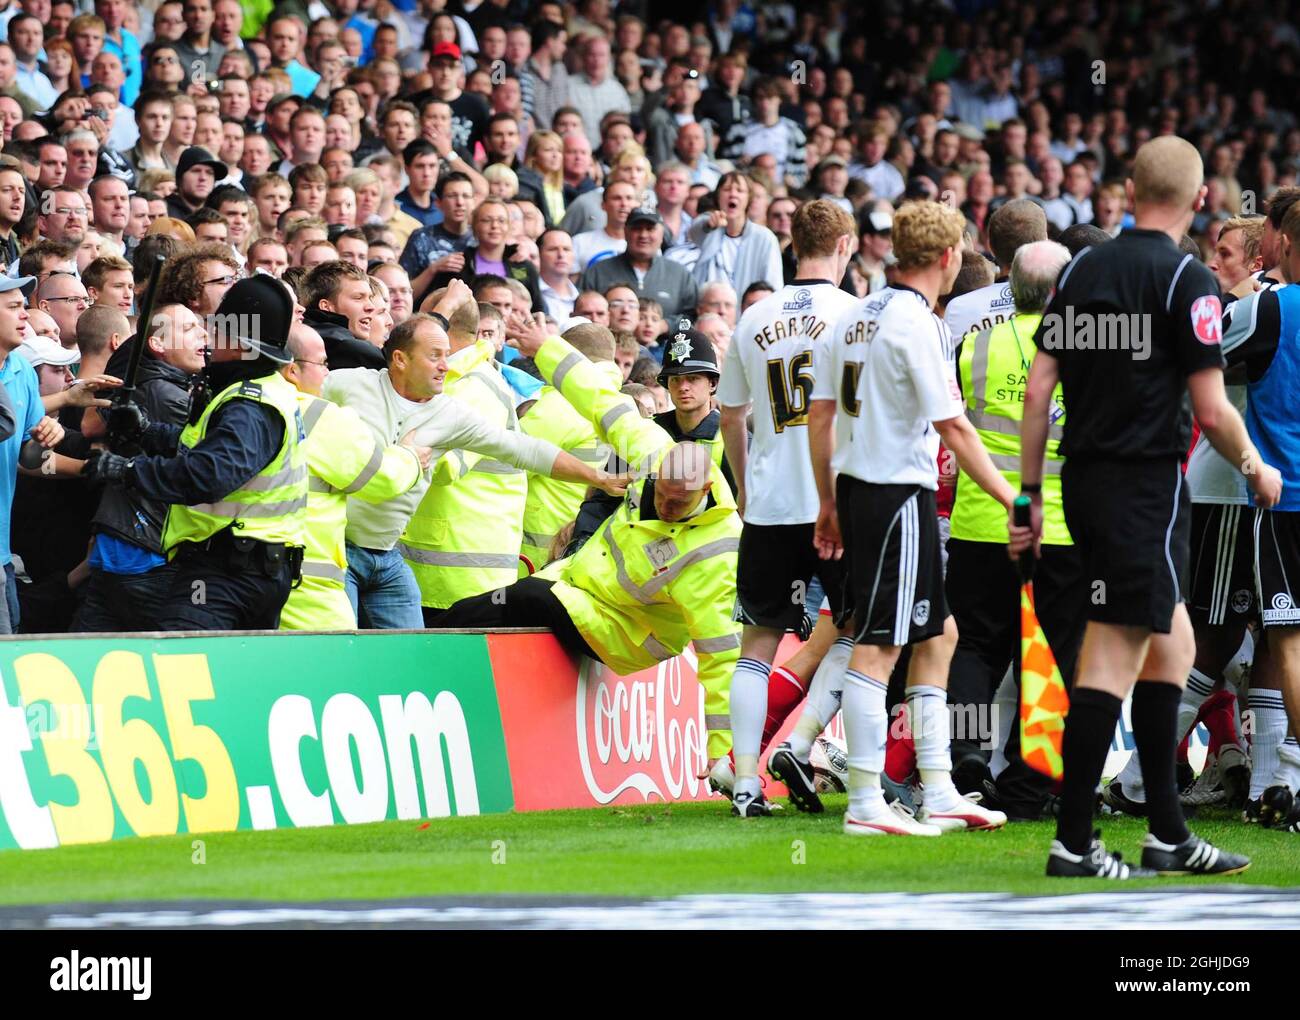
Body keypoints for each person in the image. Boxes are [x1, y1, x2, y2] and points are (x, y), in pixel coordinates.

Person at [1012, 136, 1280, 878]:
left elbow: (1040, 392)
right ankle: (1073, 841)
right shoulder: (1186, 281)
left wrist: (1028, 495)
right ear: (1198, 202)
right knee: (1115, 650)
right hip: (1147, 488)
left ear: (1130, 190)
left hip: (1084, 481)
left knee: (1176, 647)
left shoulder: (1084, 268)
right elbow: (1212, 407)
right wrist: (1258, 468)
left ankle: (1166, 833)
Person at [439, 315, 742, 766]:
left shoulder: (717, 554)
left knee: (520, 598)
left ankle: (433, 652)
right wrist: (547, 346)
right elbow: (601, 400)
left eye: (679, 504)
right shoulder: (651, 447)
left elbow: (723, 663)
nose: (666, 507)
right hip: (582, 584)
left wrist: (728, 760)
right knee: (496, 606)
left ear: (704, 493)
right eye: (661, 494)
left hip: (624, 632)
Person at [809, 200, 1015, 837]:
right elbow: (954, 426)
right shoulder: (918, 323)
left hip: (867, 490)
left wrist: (828, 501)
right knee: (879, 647)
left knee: (941, 635)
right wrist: (1014, 498)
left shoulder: (855, 314)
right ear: (950, 257)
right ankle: (867, 802)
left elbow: (820, 416)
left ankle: (940, 789)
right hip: (896, 494)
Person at [322, 293, 628, 630]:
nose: (446, 365)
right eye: (435, 357)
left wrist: (596, 477)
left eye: (446, 355)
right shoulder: (347, 385)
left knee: (412, 658)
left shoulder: (451, 412)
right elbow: (293, 390)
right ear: (400, 359)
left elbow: (524, 449)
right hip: (338, 550)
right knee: (337, 648)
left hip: (388, 555)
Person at [716, 200, 861, 815]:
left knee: (757, 642)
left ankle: (745, 781)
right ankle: (802, 744)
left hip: (772, 503)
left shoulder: (754, 318)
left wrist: (747, 488)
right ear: (846, 245)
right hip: (841, 502)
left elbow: (730, 414)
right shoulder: (858, 315)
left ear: (789, 242)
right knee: (861, 628)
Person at [941, 240, 1088, 820]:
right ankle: (1026, 783)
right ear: (1061, 292)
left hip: (984, 519)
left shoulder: (975, 343)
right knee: (1050, 658)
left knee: (976, 647)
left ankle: (967, 755)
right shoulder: (1081, 350)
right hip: (1057, 526)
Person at [83, 276, 310, 630]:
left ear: (239, 343)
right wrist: (146, 431)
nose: (208, 338)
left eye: (216, 330)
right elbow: (202, 446)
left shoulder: (246, 406)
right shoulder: (260, 391)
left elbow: (207, 474)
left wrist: (126, 469)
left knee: (183, 666)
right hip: (244, 568)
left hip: (224, 575)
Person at [278, 321, 431, 631]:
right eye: (322, 364)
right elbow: (380, 479)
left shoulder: (230, 401)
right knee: (336, 671)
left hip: (249, 575)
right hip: (309, 586)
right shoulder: (317, 414)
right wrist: (410, 457)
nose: (327, 373)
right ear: (292, 370)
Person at [74, 304, 203, 632]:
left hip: (118, 547)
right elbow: (203, 466)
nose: (203, 335)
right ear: (158, 345)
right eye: (189, 329)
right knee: (172, 663)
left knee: (90, 660)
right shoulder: (165, 394)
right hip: (147, 553)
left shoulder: (147, 379)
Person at [517, 322, 620, 572]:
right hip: (585, 542)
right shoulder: (618, 399)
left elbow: (503, 464)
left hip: (540, 553)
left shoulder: (559, 406)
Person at [578, 208, 698, 322]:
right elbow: (581, 312)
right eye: (637, 229)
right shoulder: (598, 272)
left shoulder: (679, 274)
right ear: (625, 232)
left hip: (666, 342)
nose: (643, 235)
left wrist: (666, 326)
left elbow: (692, 316)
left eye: (650, 229)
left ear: (662, 234)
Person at [303, 260, 383, 370]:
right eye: (358, 298)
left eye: (370, 298)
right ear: (326, 307)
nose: (371, 307)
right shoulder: (339, 343)